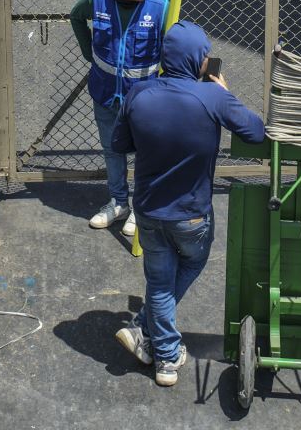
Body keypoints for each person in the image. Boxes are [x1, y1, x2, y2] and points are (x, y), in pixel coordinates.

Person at [111, 22, 266, 387]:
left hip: (148, 211)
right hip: (192, 216)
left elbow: (120, 144)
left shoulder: (138, 93)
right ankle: (163, 349)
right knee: (191, 262)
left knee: (159, 280)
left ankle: (150, 340)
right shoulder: (212, 97)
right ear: (198, 59)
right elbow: (257, 132)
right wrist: (224, 92)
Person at [67, 0, 170, 237]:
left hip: (144, 99)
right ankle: (119, 203)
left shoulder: (160, 6)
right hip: (105, 93)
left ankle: (140, 207)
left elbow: (171, 50)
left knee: (145, 154)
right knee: (112, 150)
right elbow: (76, 17)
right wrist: (89, 52)